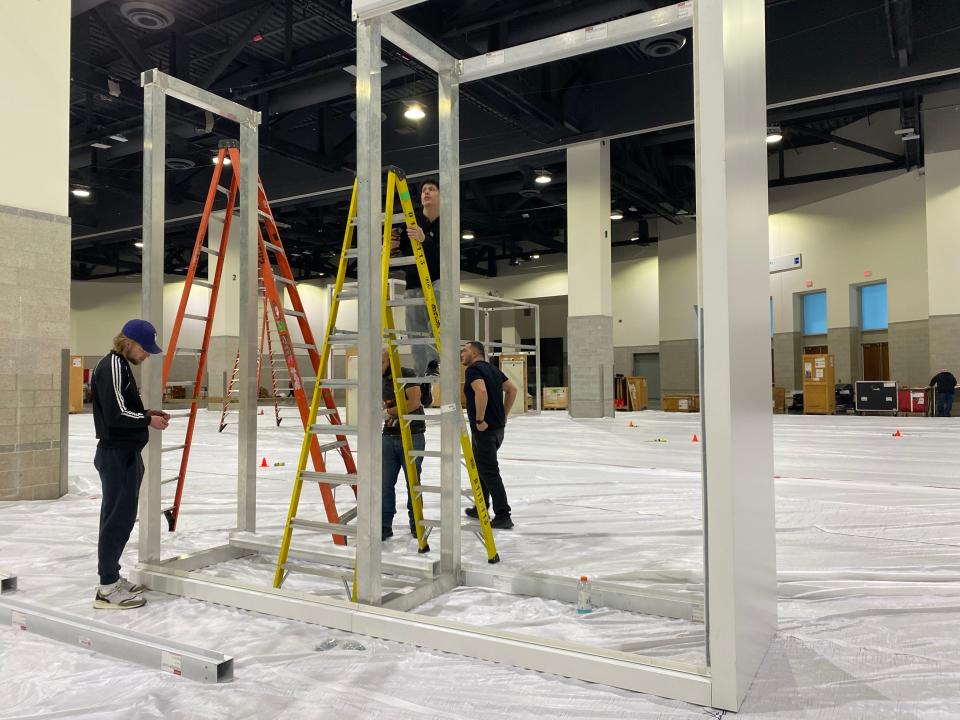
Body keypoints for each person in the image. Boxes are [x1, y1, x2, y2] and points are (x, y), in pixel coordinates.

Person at [90, 319, 169, 609]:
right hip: (116, 454)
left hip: (124, 453)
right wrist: (148, 420)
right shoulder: (112, 365)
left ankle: (111, 577)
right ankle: (107, 588)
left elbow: (124, 409)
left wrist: (147, 412)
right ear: (130, 343)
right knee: (116, 521)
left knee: (119, 519)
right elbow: (115, 415)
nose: (147, 355)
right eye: (145, 349)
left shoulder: (121, 366)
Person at [461, 341, 518, 529]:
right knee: (482, 469)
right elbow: (512, 390)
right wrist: (503, 415)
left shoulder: (473, 370)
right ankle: (481, 507)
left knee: (490, 472)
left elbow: (481, 392)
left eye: (465, 350)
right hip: (497, 430)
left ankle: (503, 514)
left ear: (475, 353)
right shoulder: (494, 370)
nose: (462, 353)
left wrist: (479, 420)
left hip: (484, 431)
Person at [395, 178, 441, 379]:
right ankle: (421, 375)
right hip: (413, 284)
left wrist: (425, 240)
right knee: (414, 332)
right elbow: (401, 250)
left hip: (437, 281)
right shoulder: (411, 220)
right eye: (424, 190)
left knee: (436, 326)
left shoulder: (446, 222)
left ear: (440, 195)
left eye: (432, 189)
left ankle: (434, 364)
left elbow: (445, 256)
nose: (427, 192)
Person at [381, 348, 426, 541]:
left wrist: (389, 412)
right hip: (389, 436)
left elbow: (414, 403)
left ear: (390, 360)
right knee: (385, 483)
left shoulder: (406, 374)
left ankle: (416, 524)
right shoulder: (379, 378)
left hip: (412, 433)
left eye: (381, 361)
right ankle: (384, 525)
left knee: (413, 483)